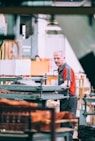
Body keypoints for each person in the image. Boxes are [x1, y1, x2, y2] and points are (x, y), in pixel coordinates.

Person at [53, 50, 77, 141]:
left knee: (68, 124)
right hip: (64, 99)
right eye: (54, 58)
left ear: (64, 58)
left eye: (58, 58)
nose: (56, 60)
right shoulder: (60, 69)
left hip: (70, 99)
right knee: (63, 123)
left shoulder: (67, 68)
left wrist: (54, 89)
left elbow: (66, 84)